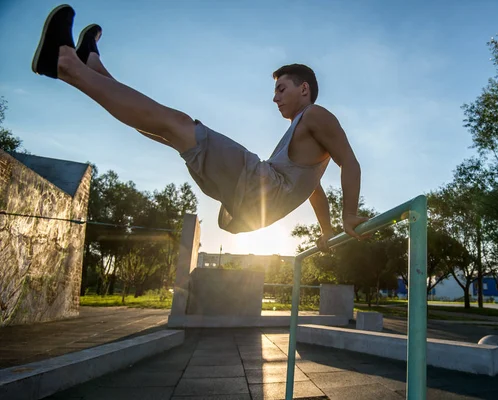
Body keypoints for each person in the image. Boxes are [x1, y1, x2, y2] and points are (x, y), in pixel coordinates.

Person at [31, 4, 368, 251]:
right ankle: (94, 67)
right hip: (249, 204)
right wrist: (325, 232)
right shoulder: (302, 135)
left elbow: (349, 162)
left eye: (282, 89)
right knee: (167, 131)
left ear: (304, 88)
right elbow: (312, 189)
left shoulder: (316, 115)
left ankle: (65, 64)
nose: (275, 98)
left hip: (256, 188)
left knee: (177, 124)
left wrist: (348, 216)